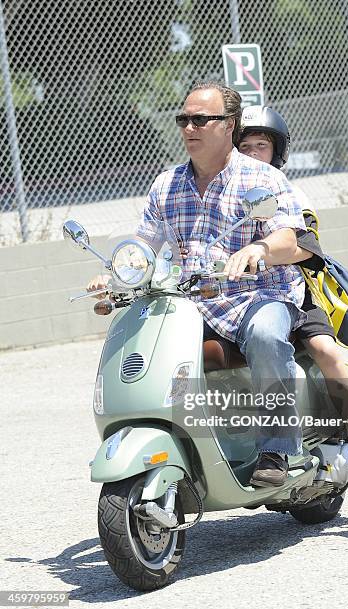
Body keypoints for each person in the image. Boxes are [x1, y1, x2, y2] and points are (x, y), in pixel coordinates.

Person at [89, 82, 308, 488]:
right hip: (192, 301)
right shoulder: (166, 185)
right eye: (183, 119)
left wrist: (258, 248)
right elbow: (146, 243)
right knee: (144, 337)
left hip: (258, 295)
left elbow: (288, 238)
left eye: (201, 119)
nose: (190, 127)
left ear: (229, 125)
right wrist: (121, 271)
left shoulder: (261, 180)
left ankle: (276, 448)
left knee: (265, 335)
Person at [238, 105, 348, 482]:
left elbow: (306, 245)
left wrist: (267, 252)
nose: (253, 153)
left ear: (278, 152)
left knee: (325, 352)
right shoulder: (224, 188)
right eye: (245, 146)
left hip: (294, 293)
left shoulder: (290, 191)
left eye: (261, 145)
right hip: (236, 299)